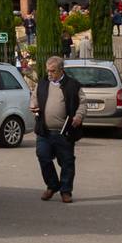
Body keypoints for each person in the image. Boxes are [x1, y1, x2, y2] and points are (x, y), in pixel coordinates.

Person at [32, 54, 84, 203]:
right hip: (44, 131)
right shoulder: (42, 84)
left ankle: (66, 191)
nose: (49, 74)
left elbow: (83, 103)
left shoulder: (73, 85)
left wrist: (79, 116)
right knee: (43, 156)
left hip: (64, 132)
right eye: (48, 71)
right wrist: (33, 106)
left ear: (61, 70)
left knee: (67, 162)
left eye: (53, 71)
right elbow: (34, 97)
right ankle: (52, 185)